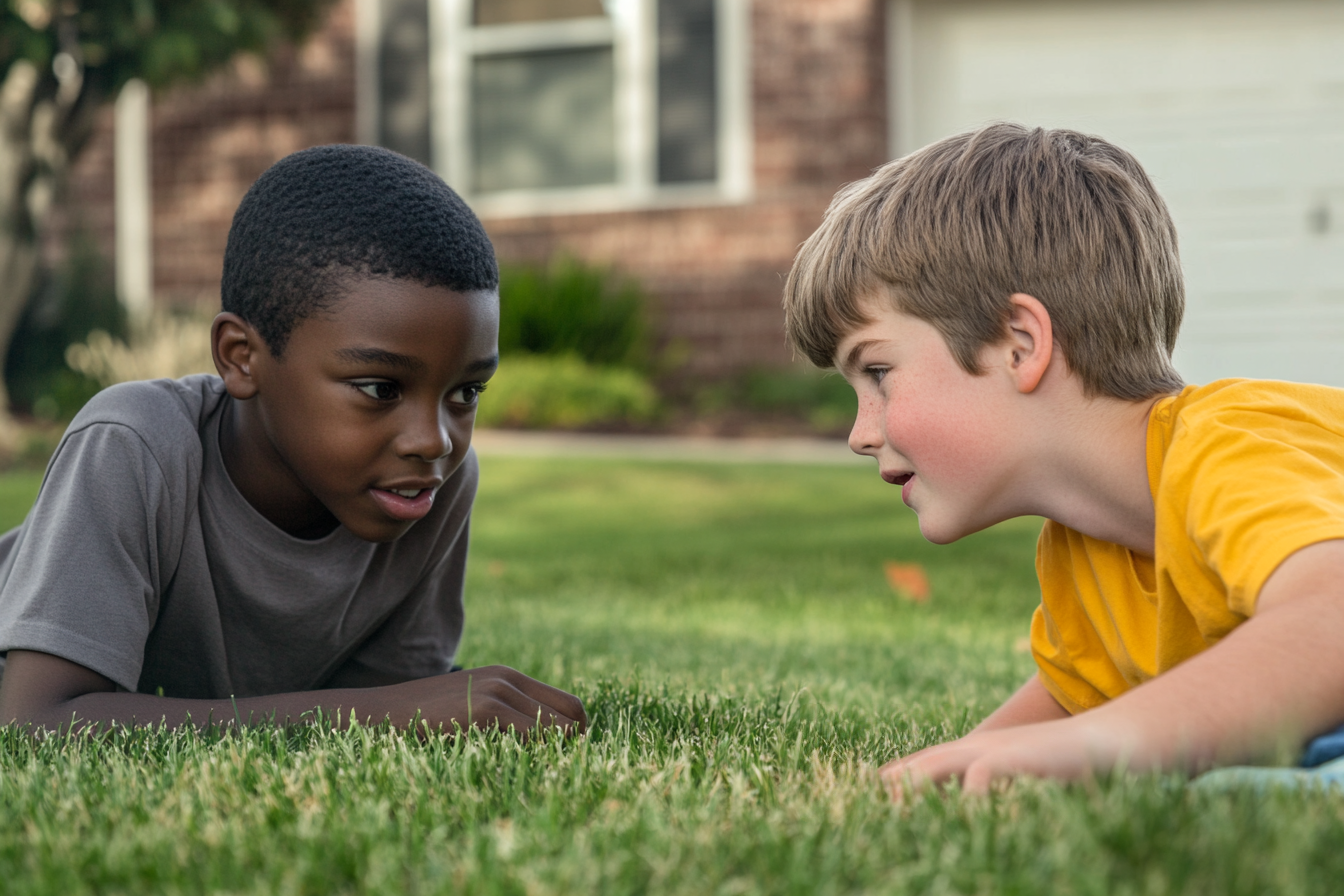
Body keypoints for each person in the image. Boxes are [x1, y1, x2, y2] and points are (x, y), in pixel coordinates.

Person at [782, 122, 1344, 796]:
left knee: (1232, 789)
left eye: (877, 372)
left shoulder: (1226, 442)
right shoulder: (1079, 557)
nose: (860, 433)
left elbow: (1330, 617)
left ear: (1019, 344)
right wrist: (941, 775)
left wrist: (1105, 744)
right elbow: (1065, 709)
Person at [0, 145, 586, 737]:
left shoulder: (431, 485)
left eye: (466, 392)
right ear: (242, 357)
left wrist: (409, 709)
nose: (433, 440)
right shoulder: (135, 446)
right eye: (381, 388)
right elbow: (34, 719)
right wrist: (392, 711)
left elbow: (389, 707)